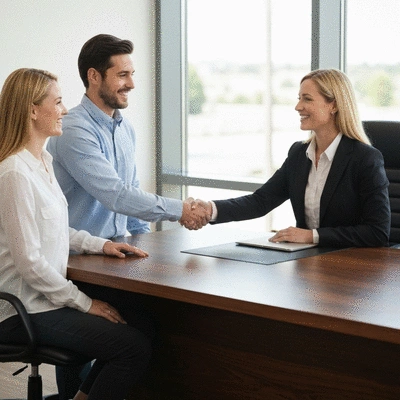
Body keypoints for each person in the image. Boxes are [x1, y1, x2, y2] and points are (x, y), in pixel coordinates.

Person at [0, 68, 152, 400]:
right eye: (57, 101)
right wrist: (83, 303)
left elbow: (55, 229)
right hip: (23, 311)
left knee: (137, 323)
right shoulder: (14, 172)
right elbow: (28, 262)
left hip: (44, 302)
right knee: (132, 349)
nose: (65, 110)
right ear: (32, 110)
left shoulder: (42, 161)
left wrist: (102, 244)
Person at [190, 69, 390, 248]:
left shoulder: (364, 159)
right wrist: (210, 209)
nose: (298, 106)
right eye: (298, 98)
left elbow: (377, 233)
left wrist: (312, 236)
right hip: (307, 262)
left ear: (334, 105)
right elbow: (260, 201)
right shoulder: (299, 154)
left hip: (351, 268)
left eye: (307, 99)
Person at [47, 33, 208, 237]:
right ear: (94, 76)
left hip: (116, 252)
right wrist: (181, 210)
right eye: (123, 75)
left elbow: (131, 192)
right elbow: (116, 194)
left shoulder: (125, 129)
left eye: (132, 74)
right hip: (76, 256)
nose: (131, 84)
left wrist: (145, 241)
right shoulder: (73, 129)